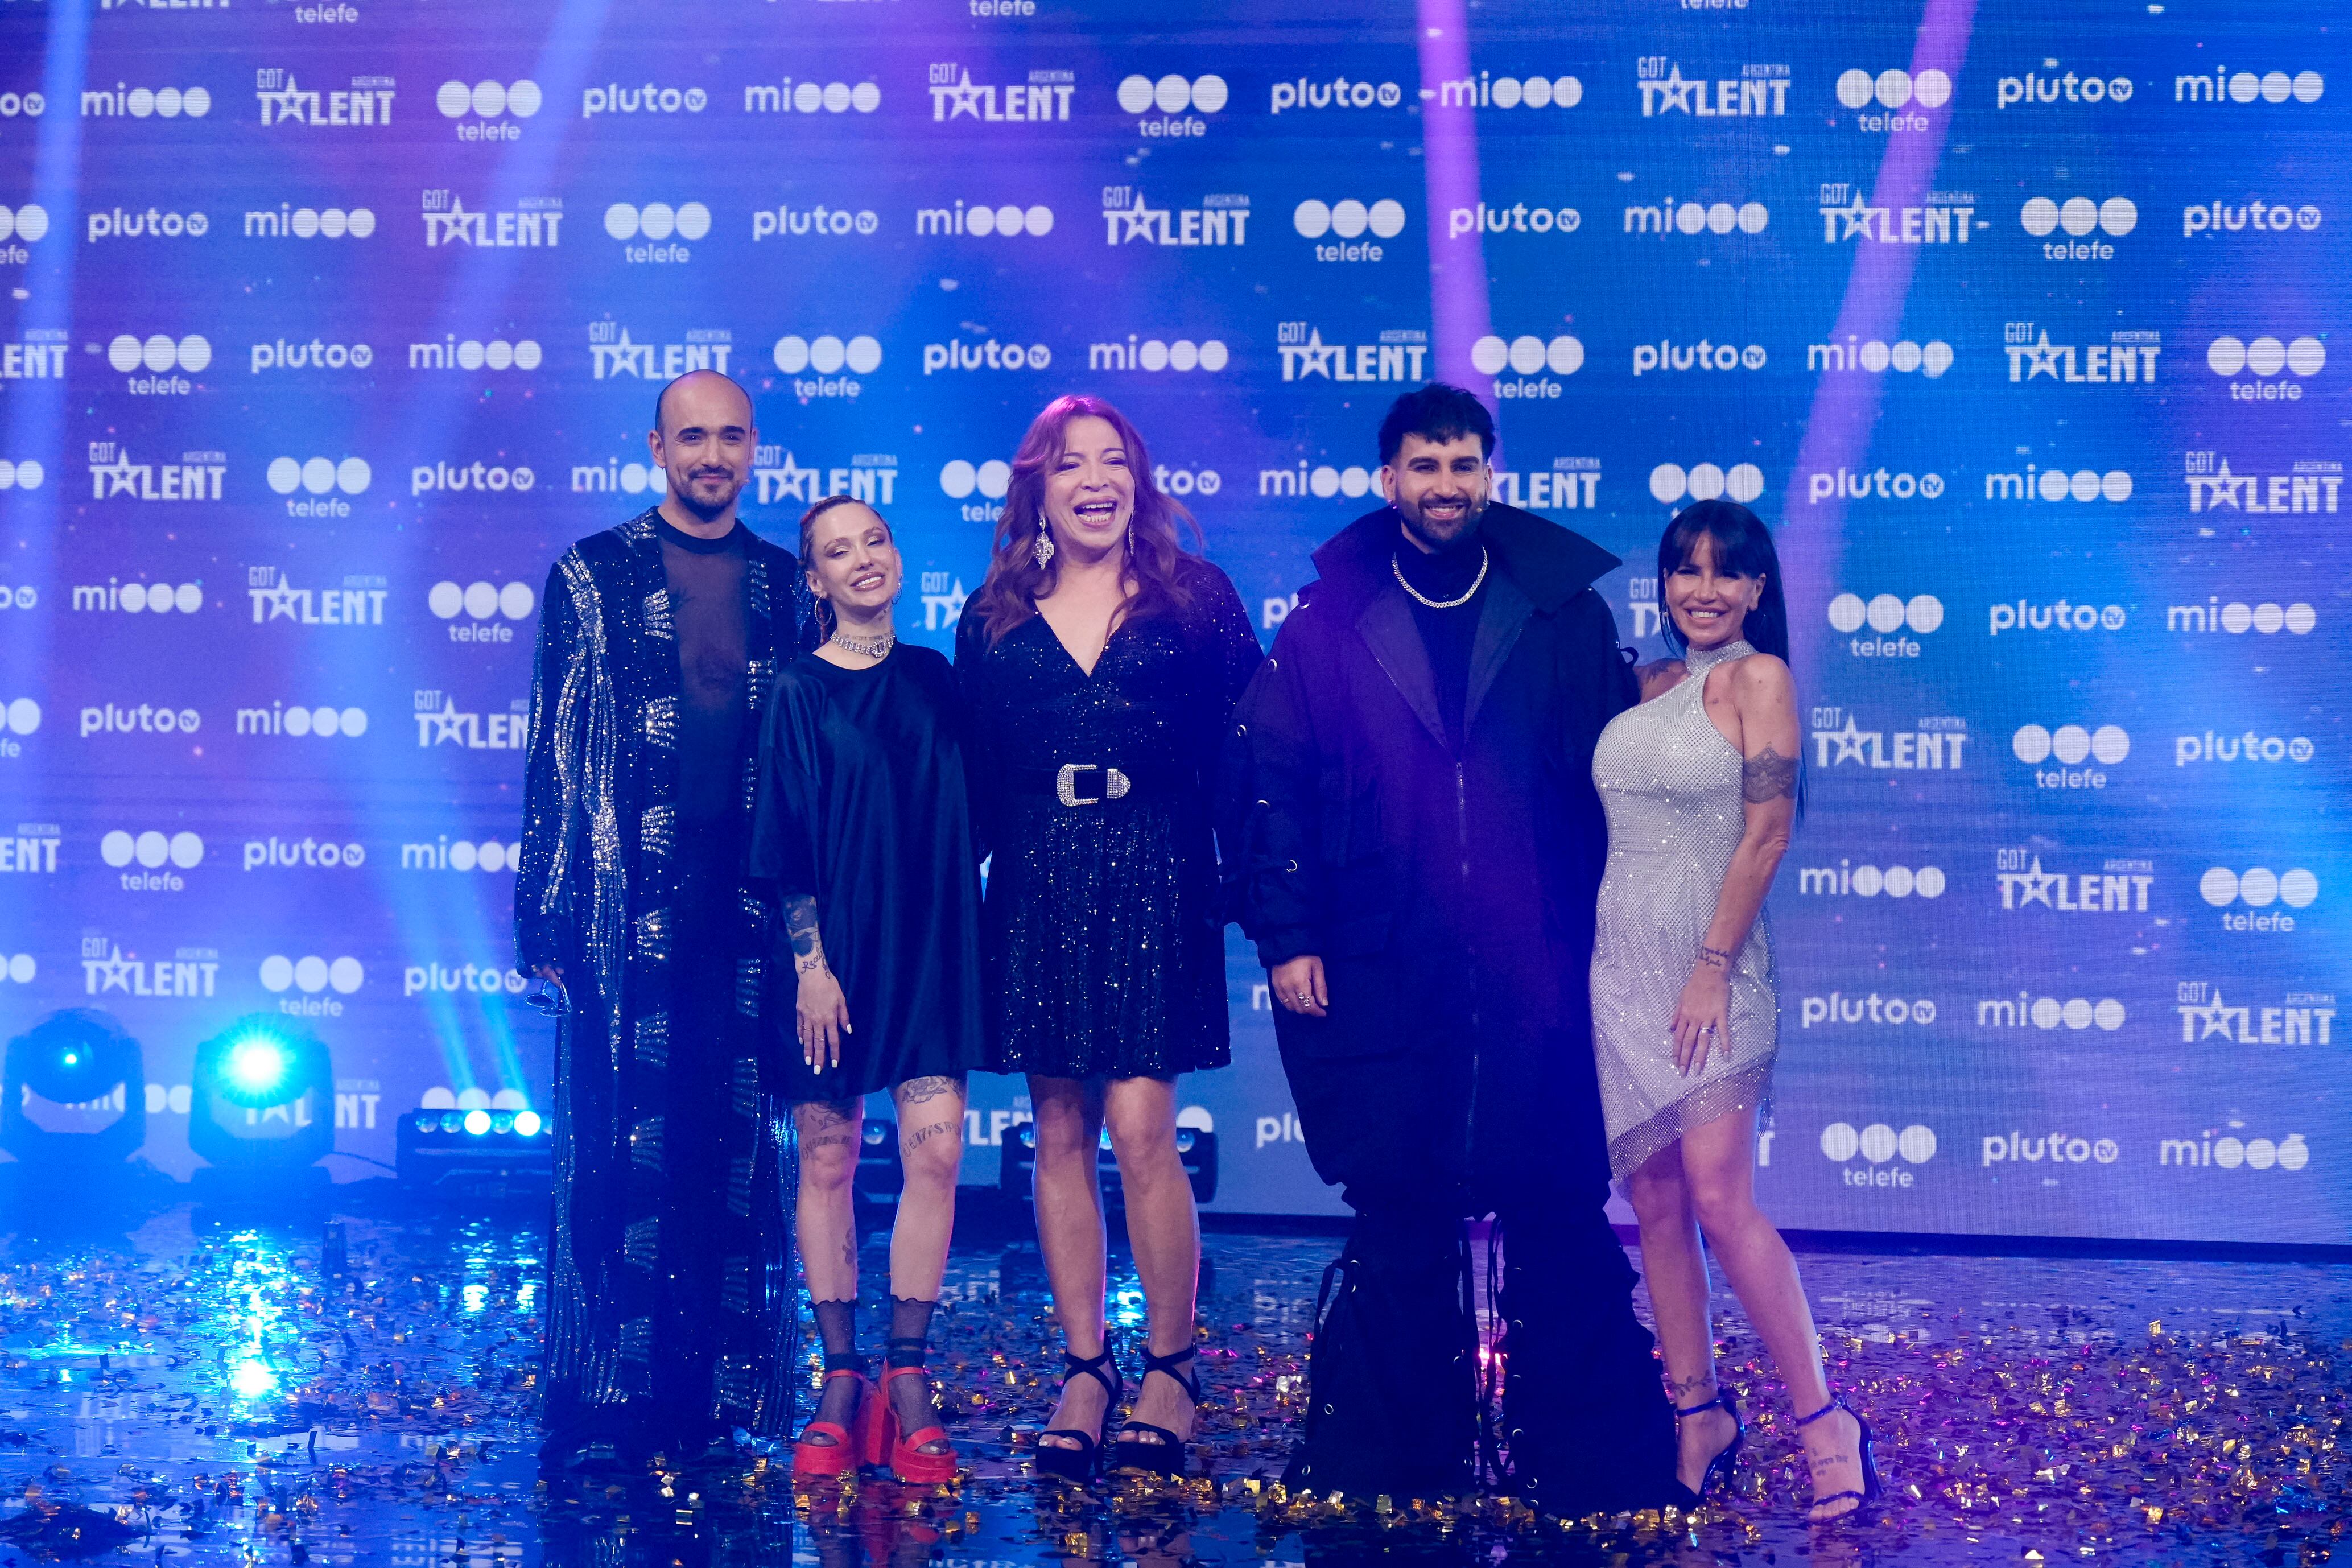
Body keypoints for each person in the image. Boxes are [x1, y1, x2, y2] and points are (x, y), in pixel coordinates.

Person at [1224, 383, 1680, 1512]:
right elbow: (1271, 785)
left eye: (1463, 464)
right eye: (1423, 467)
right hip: (1386, 948)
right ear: (1390, 481)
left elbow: (1613, 785)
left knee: (1558, 1196)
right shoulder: (1326, 623)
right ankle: (1394, 1461)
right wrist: (1289, 936)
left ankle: (1588, 1461)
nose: (1443, 486)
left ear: (1490, 473)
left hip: (1544, 954)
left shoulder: (1564, 613)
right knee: (1401, 1201)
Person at [954, 395, 1263, 1480]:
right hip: (1037, 877)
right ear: (1034, 489)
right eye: (1070, 463)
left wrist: (1268, 897)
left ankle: (1171, 1370)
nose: (1095, 479)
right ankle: (1085, 1366)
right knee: (1056, 1128)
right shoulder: (991, 615)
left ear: (1138, 479)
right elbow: (975, 786)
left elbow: (1257, 755)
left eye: (1113, 461)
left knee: (1142, 1126)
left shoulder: (1196, 598)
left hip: (1155, 869)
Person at [516, 369, 819, 1469]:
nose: (712, 455)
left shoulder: (792, 589)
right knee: (612, 1144)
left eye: (731, 437)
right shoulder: (591, 578)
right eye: (692, 436)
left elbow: (818, 772)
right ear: (656, 447)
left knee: (736, 1150)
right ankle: (603, 1395)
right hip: (618, 908)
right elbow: (553, 754)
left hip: (748, 908)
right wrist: (543, 922)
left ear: (754, 451)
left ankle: (721, 1391)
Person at [1595, 500, 1880, 1523]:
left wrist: (1712, 964)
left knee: (1721, 1200)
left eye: (1725, 573)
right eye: (1684, 570)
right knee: (1657, 1205)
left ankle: (1822, 1423)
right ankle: (1697, 1416)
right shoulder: (1644, 688)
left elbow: (1764, 833)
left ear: (1758, 589)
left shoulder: (1761, 679)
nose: (1702, 590)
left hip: (1713, 973)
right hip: (1618, 976)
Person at [748, 495, 986, 1486]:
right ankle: (841, 1380)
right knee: (830, 1159)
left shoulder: (938, 679)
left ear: (896, 554)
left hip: (928, 950)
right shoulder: (796, 689)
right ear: (814, 581)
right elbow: (785, 837)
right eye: (836, 552)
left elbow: (976, 818)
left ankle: (907, 1375)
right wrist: (810, 965)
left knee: (935, 1159)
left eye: (874, 541)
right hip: (829, 967)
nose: (861, 561)